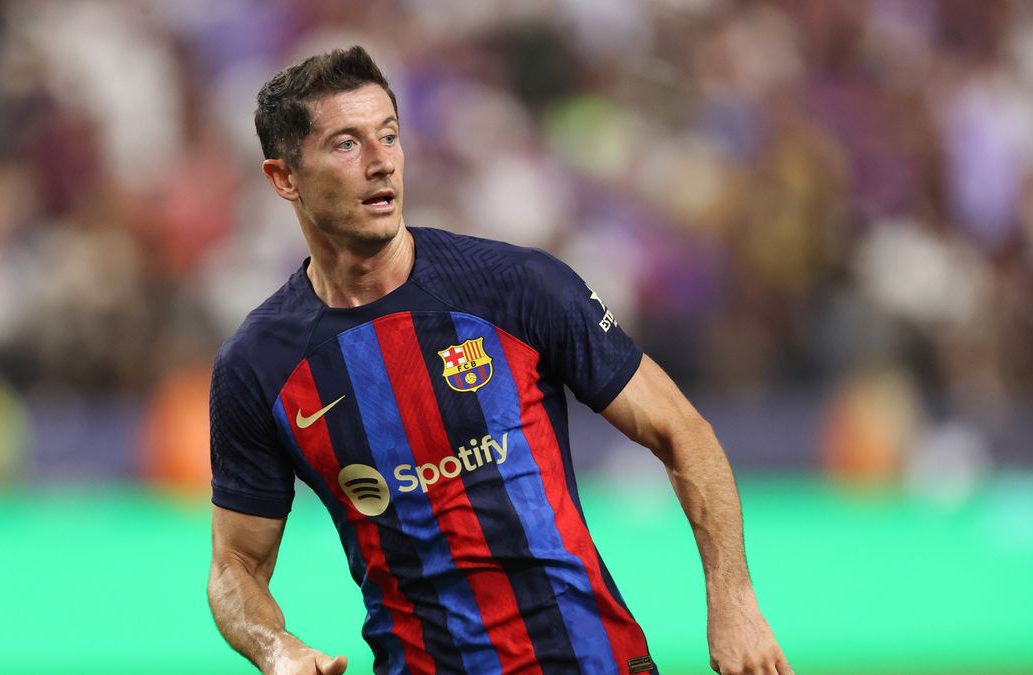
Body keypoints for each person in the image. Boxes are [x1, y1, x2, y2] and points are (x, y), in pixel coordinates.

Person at [206, 45, 792, 675]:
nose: (381, 162)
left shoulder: (516, 287)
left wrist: (734, 603)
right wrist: (277, 650)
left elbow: (683, 431)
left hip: (589, 660)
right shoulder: (259, 366)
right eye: (347, 144)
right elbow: (234, 567)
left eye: (390, 135)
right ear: (284, 178)